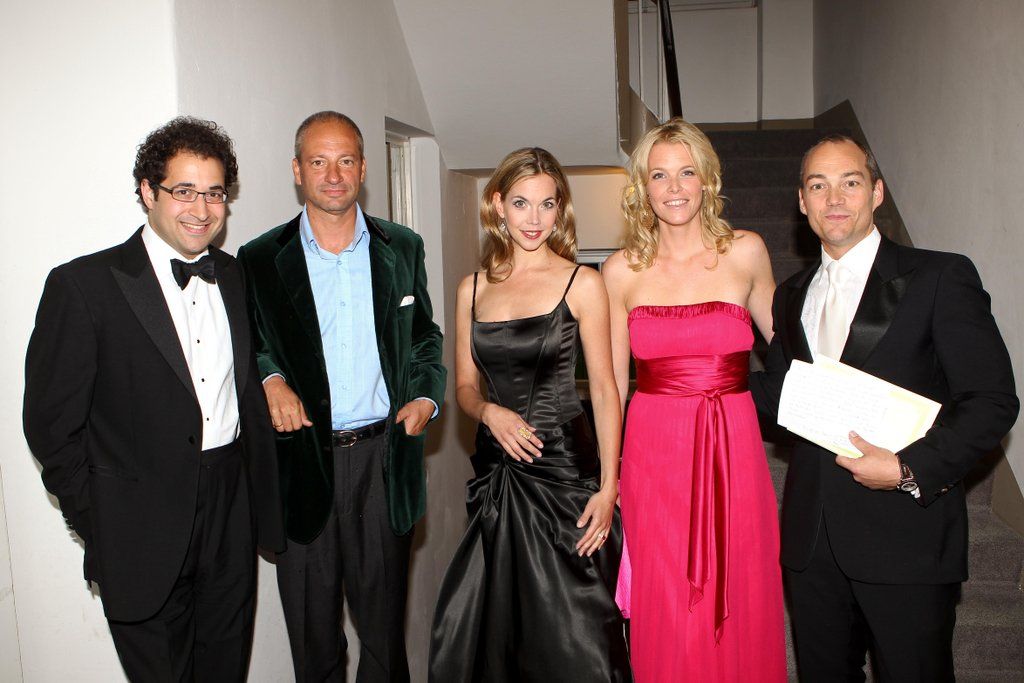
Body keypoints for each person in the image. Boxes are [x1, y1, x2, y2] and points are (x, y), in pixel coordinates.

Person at [22, 116, 285, 681]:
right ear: (147, 192)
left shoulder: (234, 277)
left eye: (214, 192)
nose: (201, 209)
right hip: (138, 527)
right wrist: (101, 521)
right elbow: (50, 427)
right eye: (183, 190)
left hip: (230, 508)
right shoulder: (83, 286)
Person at [749, 134, 1018, 682]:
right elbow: (783, 394)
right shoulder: (790, 294)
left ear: (876, 192)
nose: (834, 199)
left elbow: (991, 401)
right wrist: (700, 380)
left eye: (849, 182)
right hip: (811, 540)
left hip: (905, 534)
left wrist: (907, 469)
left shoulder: (939, 277)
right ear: (801, 201)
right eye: (818, 186)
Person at [237, 111, 445, 682]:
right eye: (319, 161)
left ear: (363, 168)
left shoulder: (402, 247)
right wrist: (270, 379)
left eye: (345, 160)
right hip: (302, 463)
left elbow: (424, 336)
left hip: (383, 459)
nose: (333, 175)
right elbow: (247, 344)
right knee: (314, 642)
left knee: (384, 641)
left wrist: (425, 397)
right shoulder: (259, 258)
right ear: (297, 170)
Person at [429, 148, 631, 682]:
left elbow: (605, 390)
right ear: (497, 205)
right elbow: (465, 388)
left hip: (565, 474)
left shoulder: (582, 283)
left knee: (579, 632)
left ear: (560, 208)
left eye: (547, 204)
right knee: (501, 627)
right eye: (521, 203)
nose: (534, 219)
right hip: (498, 473)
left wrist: (610, 487)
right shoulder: (471, 288)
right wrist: (488, 412)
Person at [602, 118, 785, 682]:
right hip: (653, 455)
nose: (675, 187)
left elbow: (792, 353)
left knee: (740, 582)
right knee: (667, 596)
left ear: (707, 178)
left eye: (686, 172)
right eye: (660, 175)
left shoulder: (746, 252)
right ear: (643, 187)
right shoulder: (619, 270)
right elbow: (611, 387)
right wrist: (609, 478)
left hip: (734, 445)